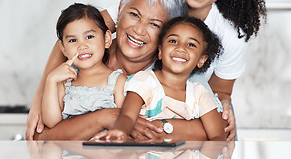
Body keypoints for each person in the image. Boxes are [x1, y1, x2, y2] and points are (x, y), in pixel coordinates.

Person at [102, 0, 267, 140]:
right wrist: (44, 91)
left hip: (197, 112)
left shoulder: (231, 35)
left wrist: (223, 106)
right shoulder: (151, 1)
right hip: (147, 105)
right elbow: (80, 32)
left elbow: (218, 94)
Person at [26, 0, 198, 141]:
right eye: (134, 15)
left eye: (154, 24)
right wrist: (105, 118)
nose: (138, 30)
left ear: (168, 32)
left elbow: (210, 128)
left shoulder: (175, 71)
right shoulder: (84, 56)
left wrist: (155, 126)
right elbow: (41, 137)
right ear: (120, 8)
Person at [94, 17, 226, 142]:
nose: (180, 48)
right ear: (161, 51)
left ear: (201, 60)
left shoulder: (199, 93)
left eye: (191, 44)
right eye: (173, 41)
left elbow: (217, 137)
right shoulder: (145, 81)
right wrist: (120, 131)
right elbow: (127, 115)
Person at [41, 3, 127, 129]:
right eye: (72, 40)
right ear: (63, 49)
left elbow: (124, 125)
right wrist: (51, 80)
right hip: (69, 148)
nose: (81, 46)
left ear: (107, 39)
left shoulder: (118, 82)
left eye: (89, 37)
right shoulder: (63, 84)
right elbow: (51, 123)